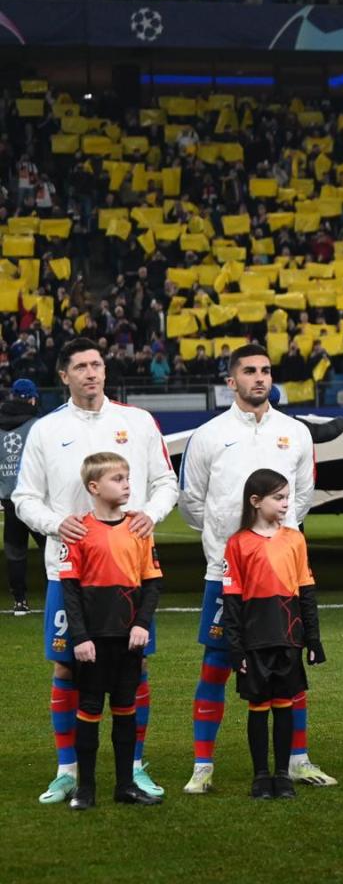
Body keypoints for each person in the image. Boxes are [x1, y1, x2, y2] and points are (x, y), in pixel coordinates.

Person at [12, 338, 178, 804]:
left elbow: (167, 482)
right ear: (63, 375)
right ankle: (68, 769)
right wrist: (53, 524)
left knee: (135, 664)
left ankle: (135, 766)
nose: (91, 373)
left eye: (97, 364)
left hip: (128, 573)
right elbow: (24, 497)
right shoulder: (45, 430)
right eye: (81, 366)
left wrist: (153, 514)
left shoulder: (138, 422)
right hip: (70, 573)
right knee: (67, 668)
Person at [178, 344, 331, 793]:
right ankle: (203, 766)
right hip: (226, 574)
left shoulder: (295, 433)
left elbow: (302, 497)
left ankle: (297, 761)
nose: (259, 378)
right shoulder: (206, 436)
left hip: (281, 578)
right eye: (249, 371)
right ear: (232, 381)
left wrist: (274, 544)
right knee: (216, 665)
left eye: (265, 370)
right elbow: (192, 503)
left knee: (289, 666)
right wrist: (232, 545)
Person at [60, 452, 163, 809]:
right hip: (93, 640)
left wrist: (140, 624)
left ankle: (125, 786)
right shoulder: (78, 531)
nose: (126, 485)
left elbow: (151, 585)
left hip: (128, 638)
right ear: (94, 486)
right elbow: (69, 591)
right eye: (117, 479)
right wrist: (81, 636)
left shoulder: (139, 529)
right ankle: (85, 788)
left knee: (125, 709)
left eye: (127, 477)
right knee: (88, 708)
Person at [219, 468, 325, 800]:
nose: (285, 504)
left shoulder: (295, 539)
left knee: (284, 706)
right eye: (278, 498)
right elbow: (232, 602)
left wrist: (313, 639)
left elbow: (306, 594)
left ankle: (282, 774)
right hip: (255, 640)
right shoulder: (237, 544)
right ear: (255, 501)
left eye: (287, 498)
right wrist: (236, 649)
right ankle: (260, 776)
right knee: (258, 707)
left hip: (288, 637)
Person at [2, 377, 42, 615]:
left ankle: (20, 601)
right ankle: (60, 597)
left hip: (9, 499)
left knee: (15, 551)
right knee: (52, 547)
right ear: (31, 398)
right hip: (35, 497)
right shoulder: (38, 425)